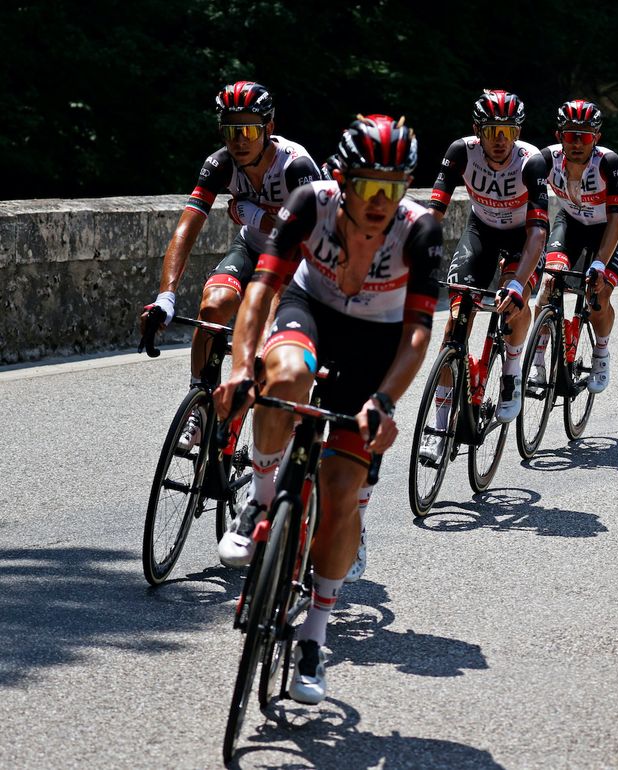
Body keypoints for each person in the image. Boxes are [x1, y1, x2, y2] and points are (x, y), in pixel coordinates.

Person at [214, 114, 443, 704]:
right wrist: (241, 367)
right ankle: (260, 501)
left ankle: (314, 635)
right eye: (368, 186)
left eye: (392, 188)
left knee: (343, 493)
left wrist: (385, 402)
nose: (379, 201)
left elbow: (418, 333)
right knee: (283, 376)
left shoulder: (419, 231)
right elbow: (262, 289)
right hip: (309, 309)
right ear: (342, 181)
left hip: (378, 342)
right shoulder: (308, 204)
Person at [140, 81, 320, 450]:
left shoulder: (295, 166)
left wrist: (250, 213)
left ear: (268, 129)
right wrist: (166, 296)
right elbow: (186, 229)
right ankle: (201, 404)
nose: (239, 140)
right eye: (230, 130)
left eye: (249, 130)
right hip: (252, 249)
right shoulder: (220, 164)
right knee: (213, 305)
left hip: (298, 257)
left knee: (263, 346)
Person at [423, 90, 549, 459]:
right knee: (454, 326)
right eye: (492, 130)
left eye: (508, 132)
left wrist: (515, 283)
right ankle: (439, 425)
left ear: (517, 132)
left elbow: (539, 233)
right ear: (478, 130)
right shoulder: (461, 151)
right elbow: (434, 212)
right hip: (480, 232)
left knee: (514, 303)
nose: (499, 140)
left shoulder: (532, 161)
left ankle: (511, 371)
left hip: (522, 237)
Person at [532, 100, 618, 394]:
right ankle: (537, 365)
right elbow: (529, 208)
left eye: (584, 136)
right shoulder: (545, 159)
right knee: (548, 283)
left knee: (597, 297)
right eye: (570, 135)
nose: (576, 143)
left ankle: (601, 353)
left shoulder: (608, 163)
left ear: (596, 138)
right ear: (559, 135)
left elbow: (616, 217)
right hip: (569, 222)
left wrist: (600, 262)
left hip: (606, 229)